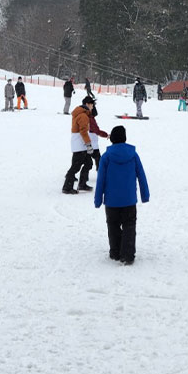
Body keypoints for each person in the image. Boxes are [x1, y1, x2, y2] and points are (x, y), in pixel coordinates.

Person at [93, 125, 150, 266]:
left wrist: (98, 200)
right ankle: (128, 254)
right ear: (124, 138)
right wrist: (145, 195)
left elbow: (101, 180)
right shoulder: (133, 155)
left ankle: (115, 252)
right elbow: (141, 175)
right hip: (129, 200)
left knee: (113, 226)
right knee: (129, 226)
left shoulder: (106, 157)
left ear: (112, 138)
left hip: (111, 201)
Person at [63, 96, 96, 194]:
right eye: (92, 104)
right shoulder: (83, 116)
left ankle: (82, 184)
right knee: (76, 166)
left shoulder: (82, 114)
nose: (93, 107)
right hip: (79, 145)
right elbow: (83, 132)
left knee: (88, 163)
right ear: (87, 104)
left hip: (79, 144)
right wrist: (88, 144)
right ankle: (67, 187)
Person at [85, 100, 109, 188]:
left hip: (89, 142)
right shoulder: (90, 118)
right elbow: (96, 130)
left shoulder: (88, 116)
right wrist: (106, 135)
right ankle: (101, 175)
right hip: (92, 143)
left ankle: (73, 176)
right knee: (97, 160)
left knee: (86, 161)